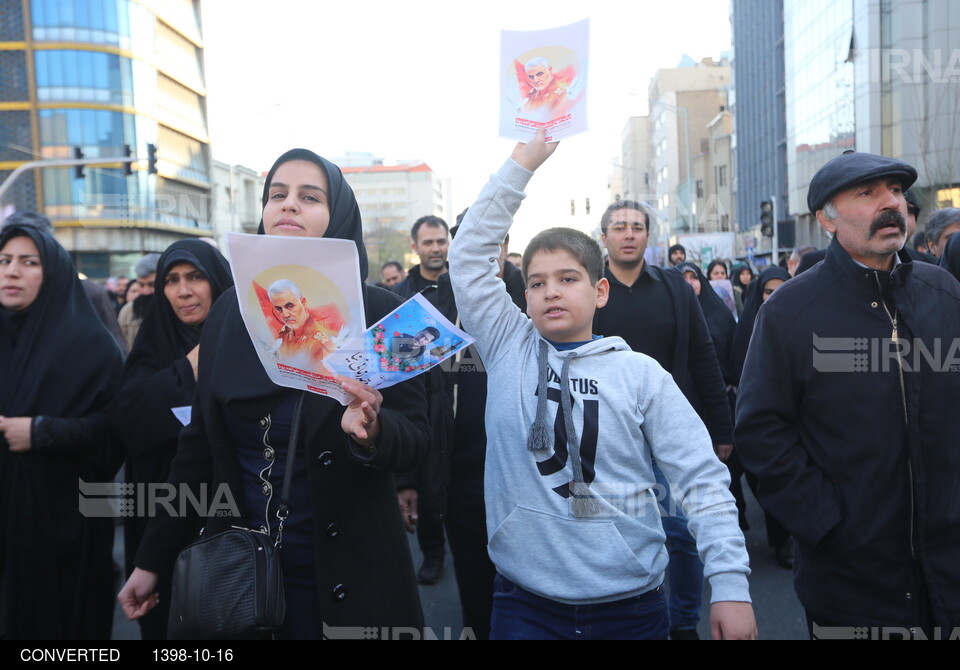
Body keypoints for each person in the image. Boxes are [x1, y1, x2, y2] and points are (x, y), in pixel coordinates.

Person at [448, 129, 755, 640]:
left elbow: (701, 480)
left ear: (600, 291)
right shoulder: (507, 346)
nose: (551, 292)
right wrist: (523, 161)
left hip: (629, 605)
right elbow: (469, 256)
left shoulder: (640, 375)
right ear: (523, 298)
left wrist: (729, 584)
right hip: (524, 601)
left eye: (568, 279)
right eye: (538, 282)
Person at [118, 148, 430, 638]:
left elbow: (416, 440)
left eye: (309, 196)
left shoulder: (386, 317)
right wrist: (151, 560)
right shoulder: (228, 315)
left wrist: (373, 431)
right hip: (243, 576)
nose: (288, 205)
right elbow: (197, 449)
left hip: (351, 575)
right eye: (277, 194)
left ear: (339, 214)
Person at [735, 151, 960, 635]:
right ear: (826, 219)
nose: (890, 204)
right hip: (851, 587)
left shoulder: (944, 293)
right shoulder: (790, 312)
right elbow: (760, 430)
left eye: (896, 192)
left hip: (950, 575)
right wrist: (826, 523)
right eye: (868, 193)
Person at [593, 200, 734, 639]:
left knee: (681, 533)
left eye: (637, 226)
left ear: (648, 236)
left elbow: (702, 356)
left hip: (668, 434)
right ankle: (618, 615)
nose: (629, 233)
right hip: (606, 437)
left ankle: (683, 622)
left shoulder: (674, 286)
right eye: (619, 227)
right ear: (604, 238)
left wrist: (721, 427)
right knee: (607, 530)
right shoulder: (590, 290)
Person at [0, 224, 124, 639]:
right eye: (4, 261)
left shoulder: (91, 347)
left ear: (52, 272)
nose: (11, 272)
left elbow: (114, 435)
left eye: (27, 262)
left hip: (66, 533)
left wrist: (41, 433)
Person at [111, 239, 233, 640]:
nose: (183, 291)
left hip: (233, 520)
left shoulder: (247, 346)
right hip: (160, 519)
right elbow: (127, 423)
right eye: (172, 280)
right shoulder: (153, 347)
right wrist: (189, 368)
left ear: (217, 281)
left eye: (196, 277)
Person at [392, 215, 455, 585]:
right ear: (414, 247)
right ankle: (433, 555)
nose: (435, 248)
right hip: (422, 401)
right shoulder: (399, 295)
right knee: (427, 489)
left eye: (441, 241)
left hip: (463, 403)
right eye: (428, 242)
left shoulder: (462, 289)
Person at [728, 266, 794, 567]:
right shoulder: (746, 328)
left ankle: (784, 544)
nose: (776, 297)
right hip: (745, 419)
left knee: (779, 483)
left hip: (788, 421)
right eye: (769, 292)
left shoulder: (799, 321)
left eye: (782, 290)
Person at [267, 279, 337, 371]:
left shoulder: (323, 340)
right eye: (279, 309)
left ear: (303, 302)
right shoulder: (283, 335)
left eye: (290, 306)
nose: (285, 315)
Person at [118, 253, 161, 350]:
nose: (145, 291)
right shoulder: (127, 312)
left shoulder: (178, 308)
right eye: (141, 285)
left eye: (152, 285)